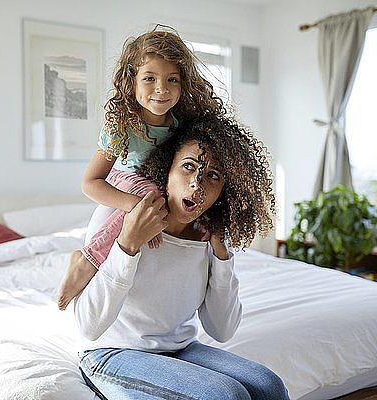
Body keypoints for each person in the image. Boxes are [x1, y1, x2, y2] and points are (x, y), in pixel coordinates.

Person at [74, 114, 289, 400]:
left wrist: (222, 255)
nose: (197, 185)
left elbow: (222, 330)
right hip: (111, 352)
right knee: (227, 395)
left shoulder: (208, 236)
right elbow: (88, 326)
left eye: (213, 176)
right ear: (167, 169)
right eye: (188, 167)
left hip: (181, 350)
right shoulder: (116, 217)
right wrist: (128, 244)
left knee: (269, 387)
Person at [57, 25, 226, 310]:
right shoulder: (121, 125)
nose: (162, 89)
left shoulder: (180, 126)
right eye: (149, 78)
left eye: (172, 79)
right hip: (127, 182)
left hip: (157, 188)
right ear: (131, 82)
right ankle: (87, 259)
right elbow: (91, 182)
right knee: (152, 193)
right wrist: (137, 205)